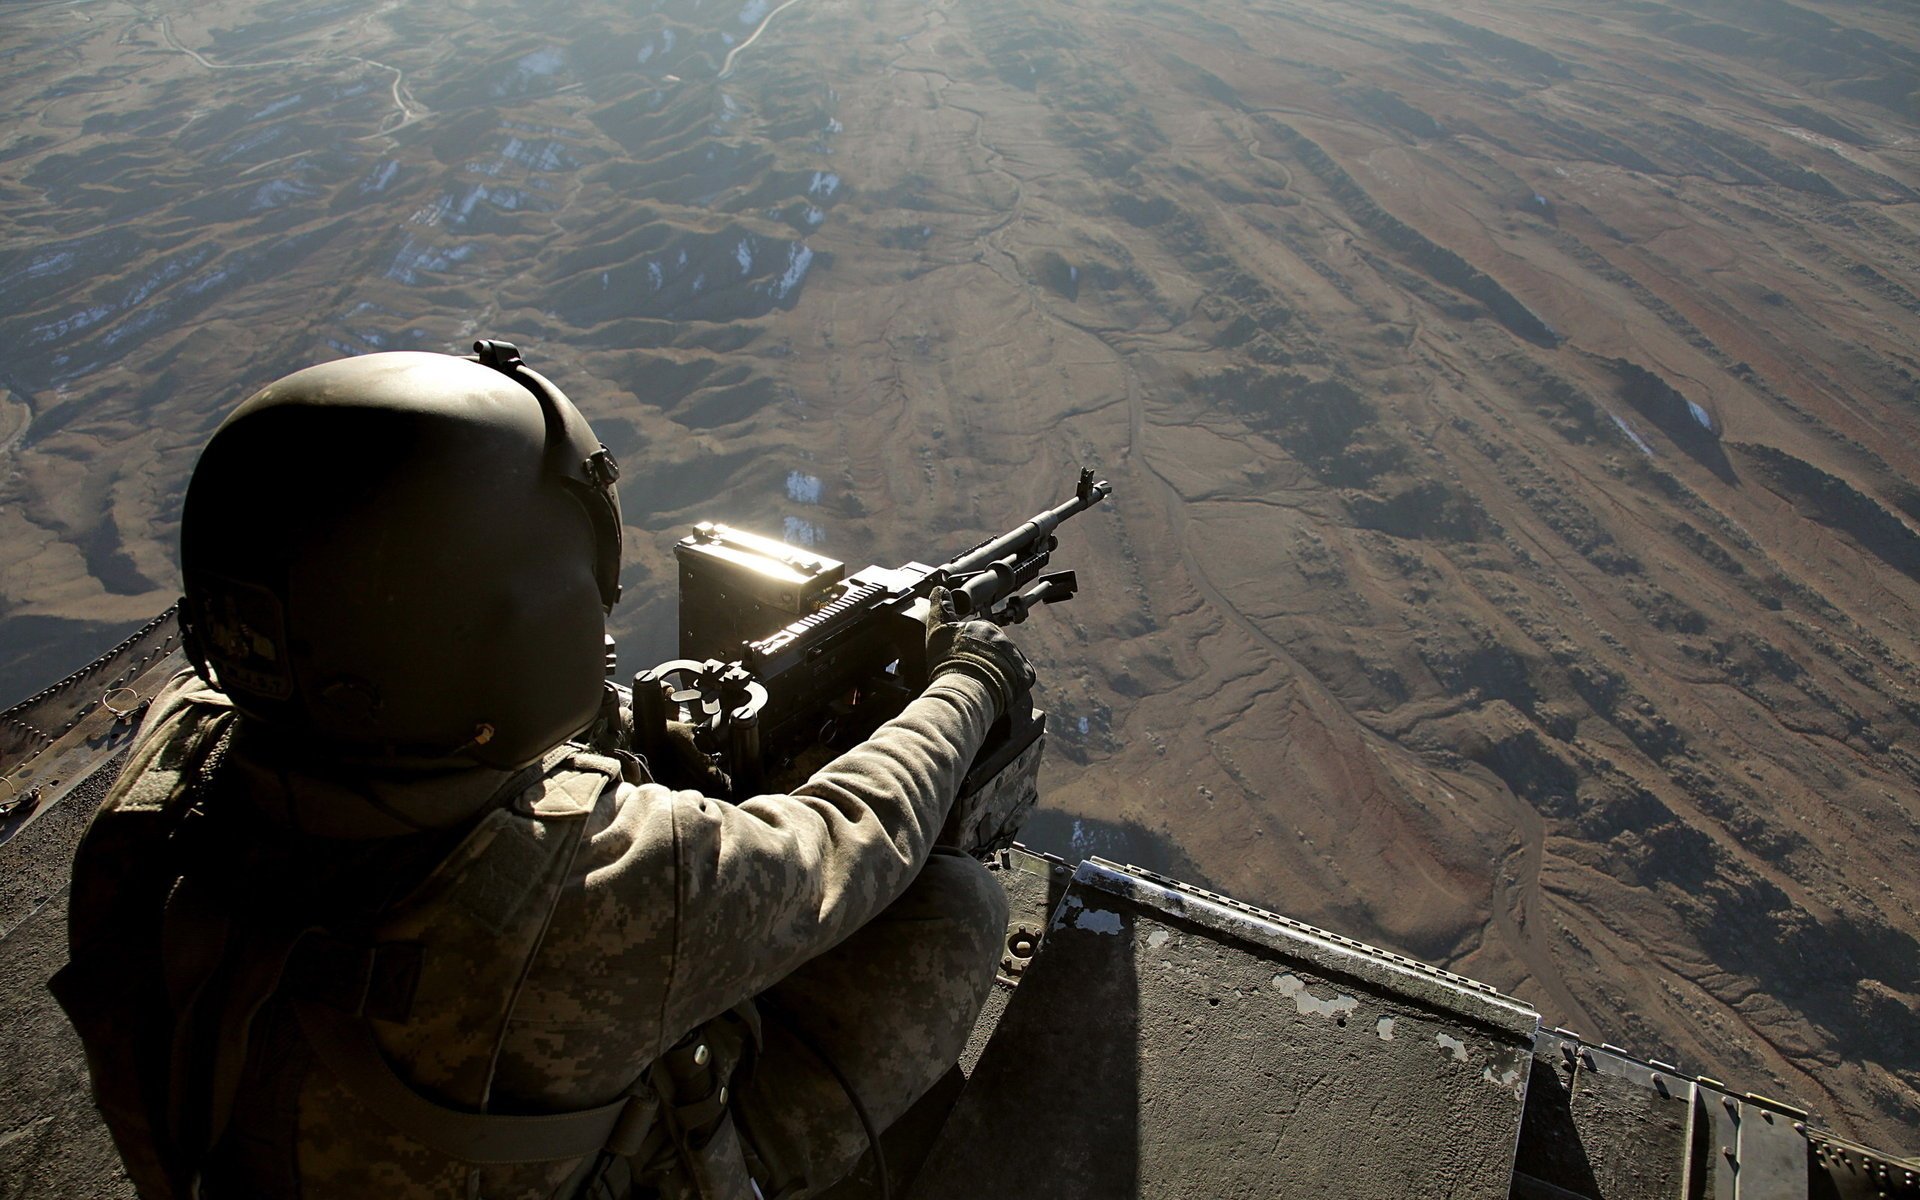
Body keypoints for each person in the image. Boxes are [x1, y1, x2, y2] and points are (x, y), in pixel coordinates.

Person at [53, 341, 1034, 1199]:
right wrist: (970, 680)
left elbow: (400, 718)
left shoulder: (170, 763)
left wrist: (629, 718)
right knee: (956, 909)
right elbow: (856, 837)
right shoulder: (604, 894)